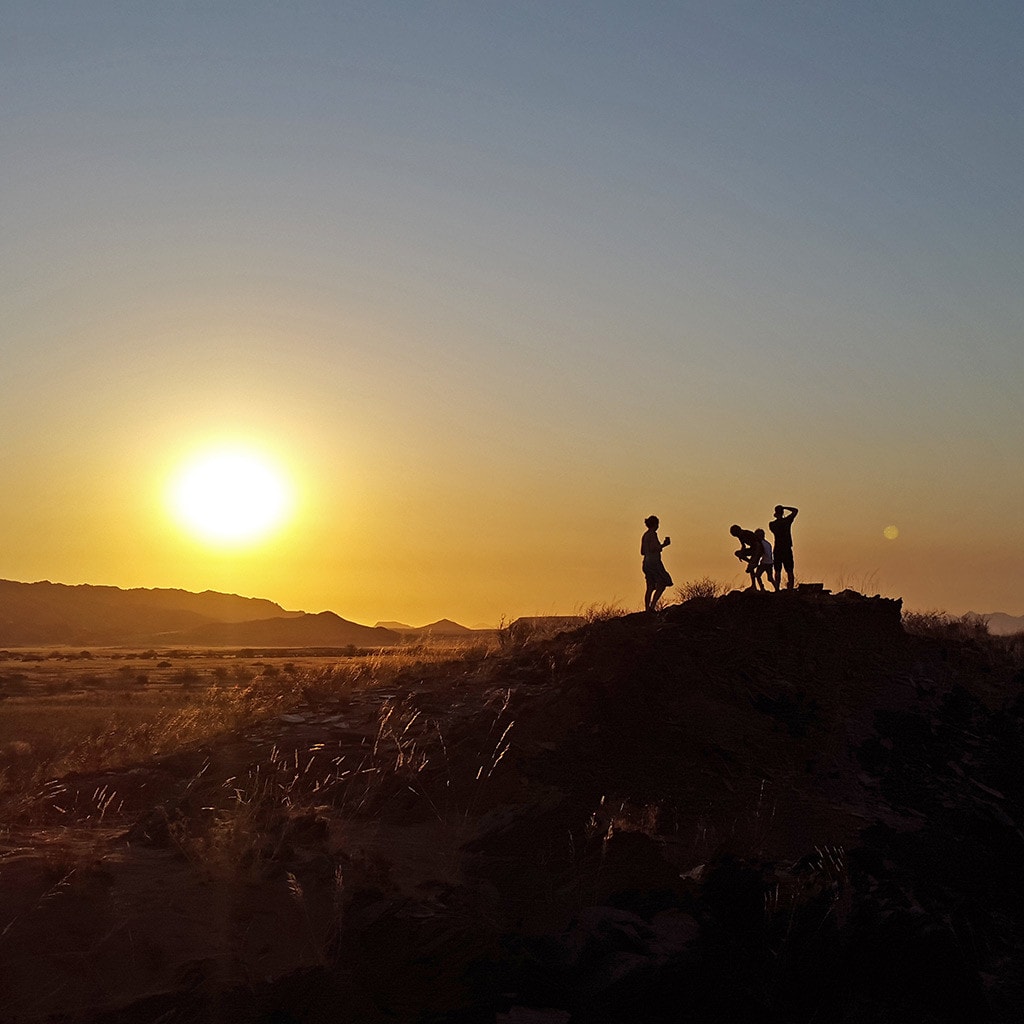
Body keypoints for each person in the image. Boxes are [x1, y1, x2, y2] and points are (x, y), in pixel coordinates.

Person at [641, 516, 673, 612]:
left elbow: (642, 551)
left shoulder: (645, 535)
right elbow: (654, 548)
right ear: (655, 524)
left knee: (650, 586)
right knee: (663, 582)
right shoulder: (652, 534)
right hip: (654, 562)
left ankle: (647, 609)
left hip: (646, 562)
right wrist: (664, 544)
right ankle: (652, 606)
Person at [768, 505, 799, 590]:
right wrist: (785, 507)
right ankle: (790, 589)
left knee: (777, 570)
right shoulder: (786, 521)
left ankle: (777, 588)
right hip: (786, 548)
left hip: (777, 548)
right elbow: (795, 510)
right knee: (789, 570)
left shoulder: (772, 524)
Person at [730, 524, 760, 589]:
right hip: (752, 549)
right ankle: (751, 562)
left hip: (758, 550)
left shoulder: (746, 533)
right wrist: (741, 554)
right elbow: (743, 546)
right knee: (737, 553)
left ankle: (754, 585)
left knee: (750, 568)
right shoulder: (740, 536)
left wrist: (756, 556)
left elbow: (757, 544)